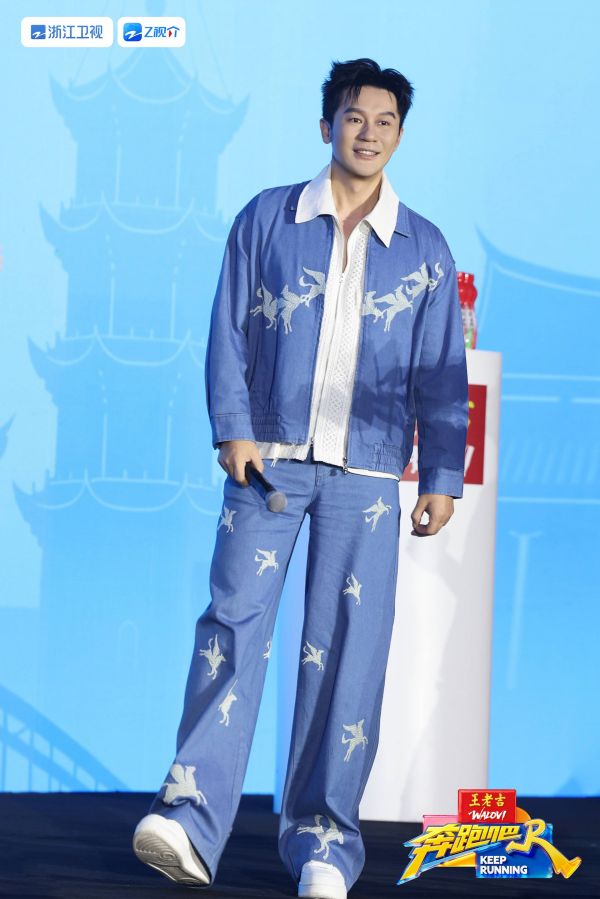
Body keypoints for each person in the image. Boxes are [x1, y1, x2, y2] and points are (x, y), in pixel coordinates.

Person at [132, 57, 468, 899]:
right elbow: (226, 329)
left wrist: (441, 472)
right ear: (327, 126)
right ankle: (189, 816)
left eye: (385, 122)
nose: (369, 133)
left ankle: (324, 842)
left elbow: (441, 370)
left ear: (400, 136)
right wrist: (232, 427)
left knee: (349, 651)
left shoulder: (425, 249)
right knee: (231, 625)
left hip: (368, 470)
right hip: (269, 460)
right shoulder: (266, 220)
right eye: (355, 117)